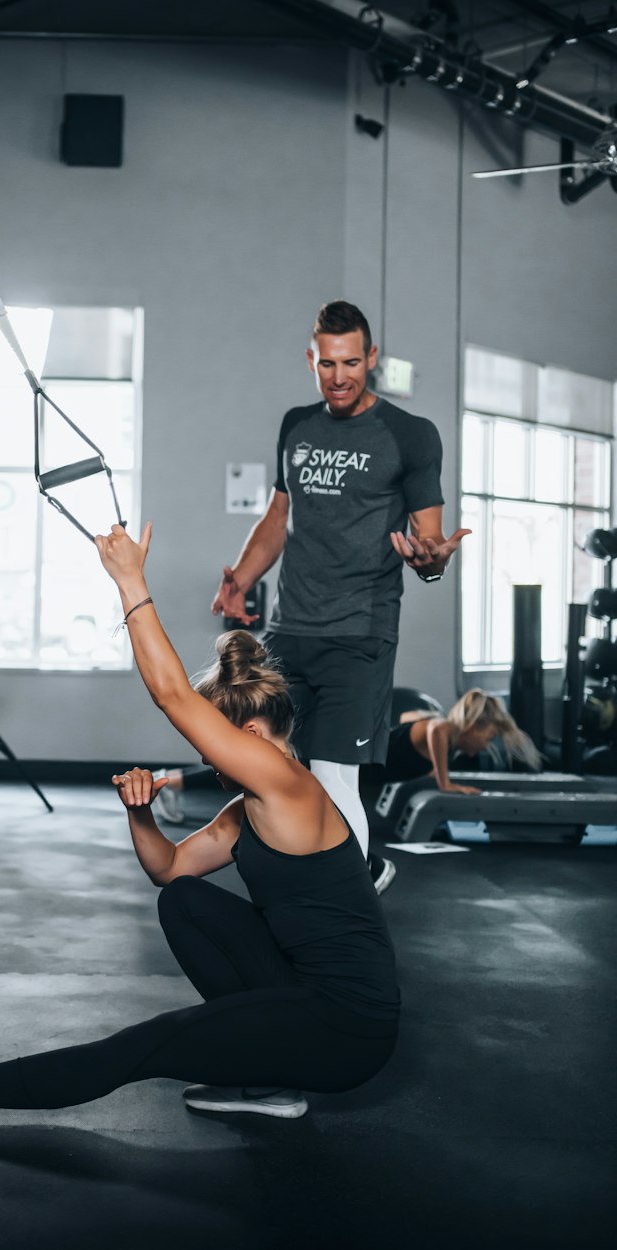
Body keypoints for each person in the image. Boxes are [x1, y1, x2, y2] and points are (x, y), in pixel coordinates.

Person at [0, 523, 399, 1122]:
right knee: (185, 901)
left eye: (215, 749)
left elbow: (173, 696)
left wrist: (130, 579)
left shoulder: (289, 784)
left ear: (252, 737)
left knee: (147, 1044)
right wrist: (140, 814)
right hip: (306, 995)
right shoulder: (250, 812)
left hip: (347, 1029)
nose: (207, 763)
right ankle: (267, 1078)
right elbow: (170, 869)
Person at [211, 300, 469, 896]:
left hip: (361, 630)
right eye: (327, 364)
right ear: (311, 360)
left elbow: (429, 537)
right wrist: (243, 579)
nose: (340, 376)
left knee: (331, 773)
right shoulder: (296, 425)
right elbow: (279, 517)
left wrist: (431, 562)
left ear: (371, 358)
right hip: (290, 628)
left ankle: (352, 899)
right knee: (264, 762)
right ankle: (313, 885)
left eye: (352, 362)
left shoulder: (410, 435)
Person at [362, 688, 543, 795]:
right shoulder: (444, 728)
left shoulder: (442, 743)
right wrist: (445, 783)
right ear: (472, 727)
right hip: (356, 765)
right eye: (489, 738)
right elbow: (436, 729)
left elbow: (405, 716)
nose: (487, 746)